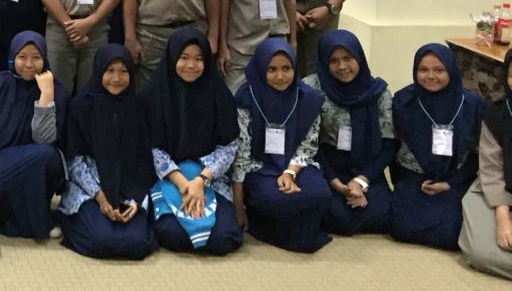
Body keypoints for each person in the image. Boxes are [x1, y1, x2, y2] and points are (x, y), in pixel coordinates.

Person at [144, 28, 243, 255]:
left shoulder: (219, 94)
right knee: (172, 234)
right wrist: (183, 184)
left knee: (224, 237)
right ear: (172, 58)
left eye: (199, 59)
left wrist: (200, 182)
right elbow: (150, 147)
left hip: (209, 178)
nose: (191, 65)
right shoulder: (153, 95)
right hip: (168, 177)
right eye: (184, 57)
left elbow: (229, 146)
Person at [230, 39, 330, 253]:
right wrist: (238, 206)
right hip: (258, 167)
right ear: (261, 69)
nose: (280, 76)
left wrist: (290, 173)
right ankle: (270, 224)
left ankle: (293, 231)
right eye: (272, 69)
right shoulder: (246, 98)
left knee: (320, 193)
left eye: (286, 68)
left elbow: (308, 145)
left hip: (295, 165)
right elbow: (242, 153)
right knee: (270, 198)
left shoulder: (308, 99)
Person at [59, 46, 157, 259]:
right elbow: (74, 161)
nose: (117, 78)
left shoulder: (137, 107)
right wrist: (101, 198)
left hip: (128, 187)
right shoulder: (81, 106)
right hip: (90, 187)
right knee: (101, 239)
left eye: (124, 71)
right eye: (110, 70)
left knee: (137, 242)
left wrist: (134, 200)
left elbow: (144, 161)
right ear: (98, 71)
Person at [390, 44, 483, 250]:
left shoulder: (472, 105)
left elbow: (478, 155)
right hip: (414, 176)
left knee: (452, 233)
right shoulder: (404, 101)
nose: (431, 76)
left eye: (439, 70)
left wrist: (450, 183)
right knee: (400, 227)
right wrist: (406, 180)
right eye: (423, 70)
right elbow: (392, 147)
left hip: (455, 179)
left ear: (451, 70)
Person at [0, 32, 67, 239]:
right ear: (12, 57)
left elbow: (45, 140)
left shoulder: (56, 90)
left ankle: (37, 219)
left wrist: (46, 97)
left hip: (36, 161)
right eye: (22, 57)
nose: (29, 64)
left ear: (45, 58)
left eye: (36, 57)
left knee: (46, 155)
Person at [309, 30, 395, 236]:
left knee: (387, 213)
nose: (342, 66)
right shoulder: (312, 89)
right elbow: (310, 144)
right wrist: (337, 184)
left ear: (359, 57)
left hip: (366, 168)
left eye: (348, 58)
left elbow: (390, 144)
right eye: (334, 61)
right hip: (326, 167)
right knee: (336, 214)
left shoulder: (378, 92)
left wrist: (361, 181)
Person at [459, 51, 512, 280]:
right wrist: (503, 218)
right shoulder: (497, 112)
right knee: (481, 252)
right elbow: (491, 168)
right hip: (496, 189)